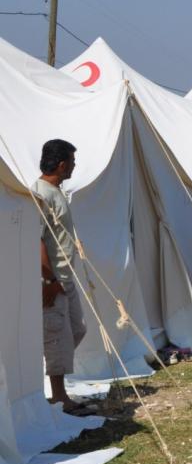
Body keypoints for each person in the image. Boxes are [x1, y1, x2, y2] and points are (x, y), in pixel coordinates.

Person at [33, 139, 90, 416]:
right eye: (72, 162)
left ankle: (54, 385)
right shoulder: (41, 193)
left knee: (76, 330)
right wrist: (48, 281)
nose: (74, 167)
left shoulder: (55, 192)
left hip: (65, 278)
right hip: (52, 280)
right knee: (57, 337)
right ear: (62, 163)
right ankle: (59, 398)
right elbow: (37, 240)